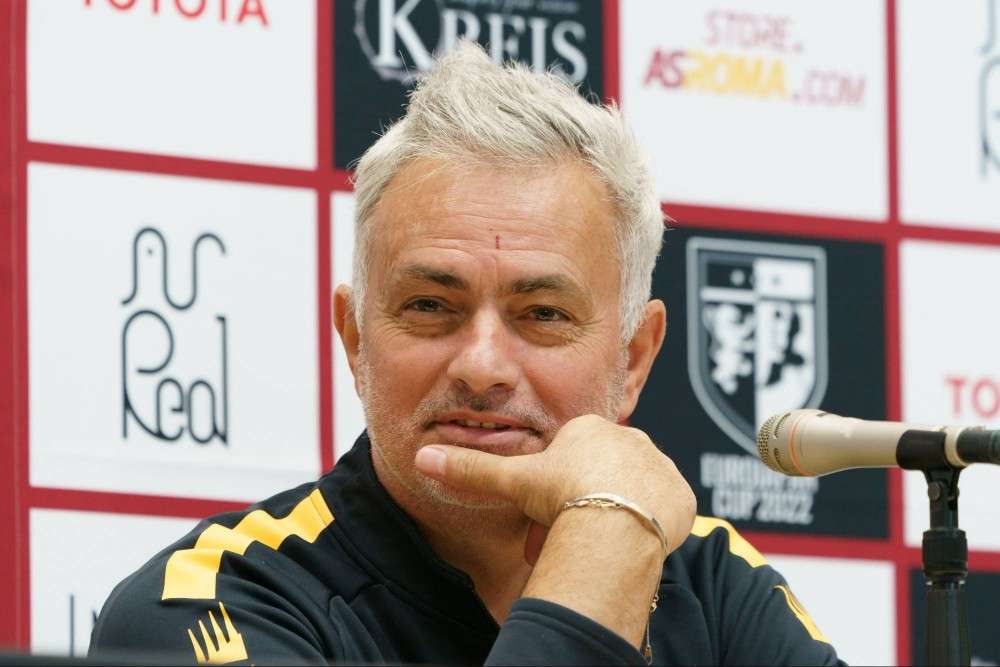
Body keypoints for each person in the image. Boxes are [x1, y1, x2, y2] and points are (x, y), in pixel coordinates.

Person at [89, 42, 843, 665]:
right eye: (429, 306)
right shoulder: (213, 601)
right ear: (356, 339)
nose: (482, 366)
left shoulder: (711, 583)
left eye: (542, 314)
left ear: (634, 358)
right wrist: (607, 533)